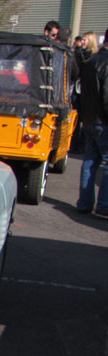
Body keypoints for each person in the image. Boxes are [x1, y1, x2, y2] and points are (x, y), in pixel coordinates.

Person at [76, 27, 108, 216]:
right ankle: (103, 204)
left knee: (89, 161)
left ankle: (85, 203)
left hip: (89, 119)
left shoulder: (90, 62)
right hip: (102, 121)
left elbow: (82, 92)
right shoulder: (104, 62)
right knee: (103, 162)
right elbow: (106, 96)